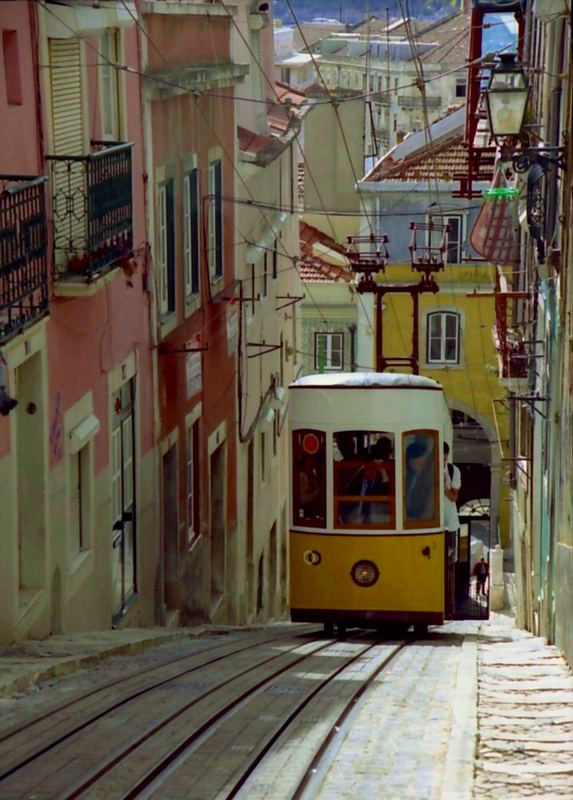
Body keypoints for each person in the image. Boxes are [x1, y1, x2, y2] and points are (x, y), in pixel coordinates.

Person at [443, 442, 461, 614]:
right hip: (432, 523)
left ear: (446, 455)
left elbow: (453, 497)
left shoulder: (453, 471)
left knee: (449, 565)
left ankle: (449, 607)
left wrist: (443, 486)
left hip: (450, 525)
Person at [405, 439, 434, 520]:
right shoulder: (406, 476)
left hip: (420, 521)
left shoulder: (428, 479)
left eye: (419, 461)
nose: (415, 464)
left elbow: (429, 508)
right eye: (412, 461)